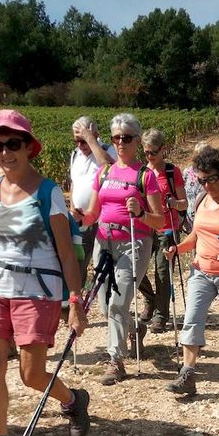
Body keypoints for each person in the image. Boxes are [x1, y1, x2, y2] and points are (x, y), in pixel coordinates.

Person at [0, 109, 90, 436]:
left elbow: (67, 252)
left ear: (28, 147)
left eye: (13, 144)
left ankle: (73, 401)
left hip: (37, 290)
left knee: (31, 374)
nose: (5, 152)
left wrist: (74, 302)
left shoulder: (47, 192)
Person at [72, 113, 163, 386]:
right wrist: (80, 218)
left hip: (134, 242)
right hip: (104, 242)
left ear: (137, 140)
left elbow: (159, 220)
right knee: (105, 304)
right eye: (116, 138)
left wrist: (141, 214)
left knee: (118, 302)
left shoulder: (146, 177)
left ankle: (116, 361)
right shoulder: (105, 172)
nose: (120, 143)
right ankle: (135, 329)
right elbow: (93, 214)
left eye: (126, 138)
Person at [165, 146, 219, 396]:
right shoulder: (201, 199)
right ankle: (188, 374)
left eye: (211, 179)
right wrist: (177, 248)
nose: (206, 185)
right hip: (201, 271)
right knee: (192, 318)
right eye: (201, 180)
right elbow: (196, 234)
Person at [136, 128, 186, 333]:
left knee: (162, 273)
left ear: (162, 149)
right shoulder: (141, 172)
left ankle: (161, 315)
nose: (149, 156)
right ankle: (150, 299)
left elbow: (184, 204)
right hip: (145, 229)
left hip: (167, 229)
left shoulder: (171, 172)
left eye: (153, 152)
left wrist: (174, 203)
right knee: (135, 269)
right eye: (146, 152)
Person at [68, 116, 115, 290]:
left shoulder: (107, 150)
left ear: (95, 134)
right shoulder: (75, 155)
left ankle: (146, 294)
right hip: (83, 218)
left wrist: (90, 140)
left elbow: (109, 166)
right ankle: (77, 303)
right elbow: (74, 182)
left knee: (111, 261)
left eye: (83, 140)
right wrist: (73, 206)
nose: (80, 145)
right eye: (77, 141)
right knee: (79, 259)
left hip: (105, 218)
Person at [182, 141, 209, 233]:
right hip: (190, 215)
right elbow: (182, 191)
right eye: (198, 155)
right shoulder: (187, 172)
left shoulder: (211, 174)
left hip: (207, 216)